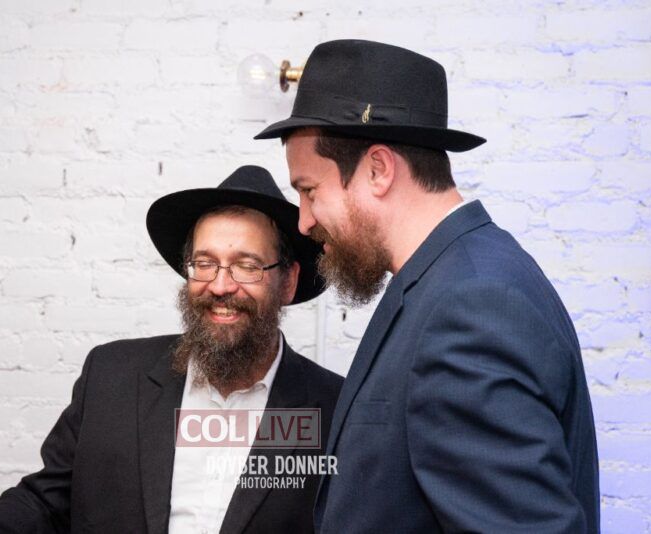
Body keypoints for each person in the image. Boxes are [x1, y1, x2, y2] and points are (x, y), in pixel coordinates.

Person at [255, 39, 600, 533]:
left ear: (378, 170)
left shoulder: (471, 306)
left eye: (309, 191)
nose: (304, 222)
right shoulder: (450, 281)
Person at [0, 165, 342, 534]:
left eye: (247, 266)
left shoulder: (335, 409)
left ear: (287, 282)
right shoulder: (112, 376)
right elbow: (48, 500)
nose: (220, 285)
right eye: (204, 263)